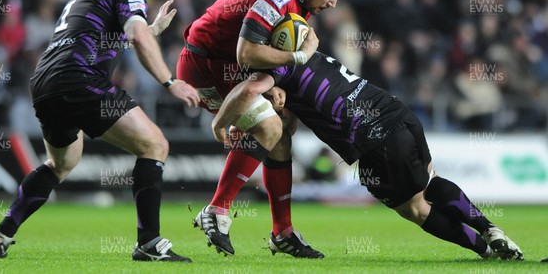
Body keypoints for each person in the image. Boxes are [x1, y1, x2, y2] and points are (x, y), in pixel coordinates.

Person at [0, 0, 200, 262]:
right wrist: (170, 82)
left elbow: (111, 39)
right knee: (155, 146)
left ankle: (1, 235)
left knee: (62, 163)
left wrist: (151, 29)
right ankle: (149, 243)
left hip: (44, 83)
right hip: (80, 80)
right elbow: (135, 37)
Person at [211, 51, 524, 260]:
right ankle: (490, 229)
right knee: (430, 179)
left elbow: (252, 93)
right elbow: (291, 119)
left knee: (414, 208)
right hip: (399, 113)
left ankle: (485, 248)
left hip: (374, 136)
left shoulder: (277, 66)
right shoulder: (313, 53)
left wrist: (221, 122)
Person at [178, 0, 347, 258]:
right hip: (204, 65)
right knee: (270, 127)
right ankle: (216, 210)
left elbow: (268, 47)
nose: (334, 3)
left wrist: (276, 82)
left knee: (282, 136)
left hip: (228, 65)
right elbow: (246, 53)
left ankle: (283, 232)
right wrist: (299, 57)